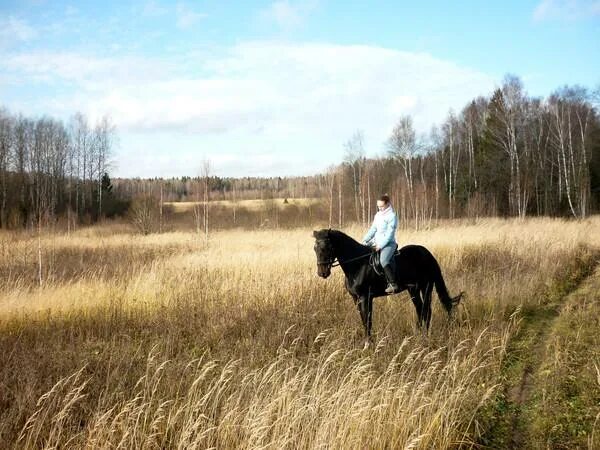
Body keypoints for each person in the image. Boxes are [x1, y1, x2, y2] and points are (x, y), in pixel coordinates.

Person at [362, 194, 399, 294]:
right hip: (376, 242)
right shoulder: (378, 215)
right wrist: (364, 240)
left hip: (388, 244)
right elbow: (373, 229)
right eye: (378, 206)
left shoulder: (392, 216)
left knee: (383, 260)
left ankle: (393, 284)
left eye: (382, 206)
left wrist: (380, 246)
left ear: (387, 204)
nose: (380, 208)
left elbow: (389, 235)